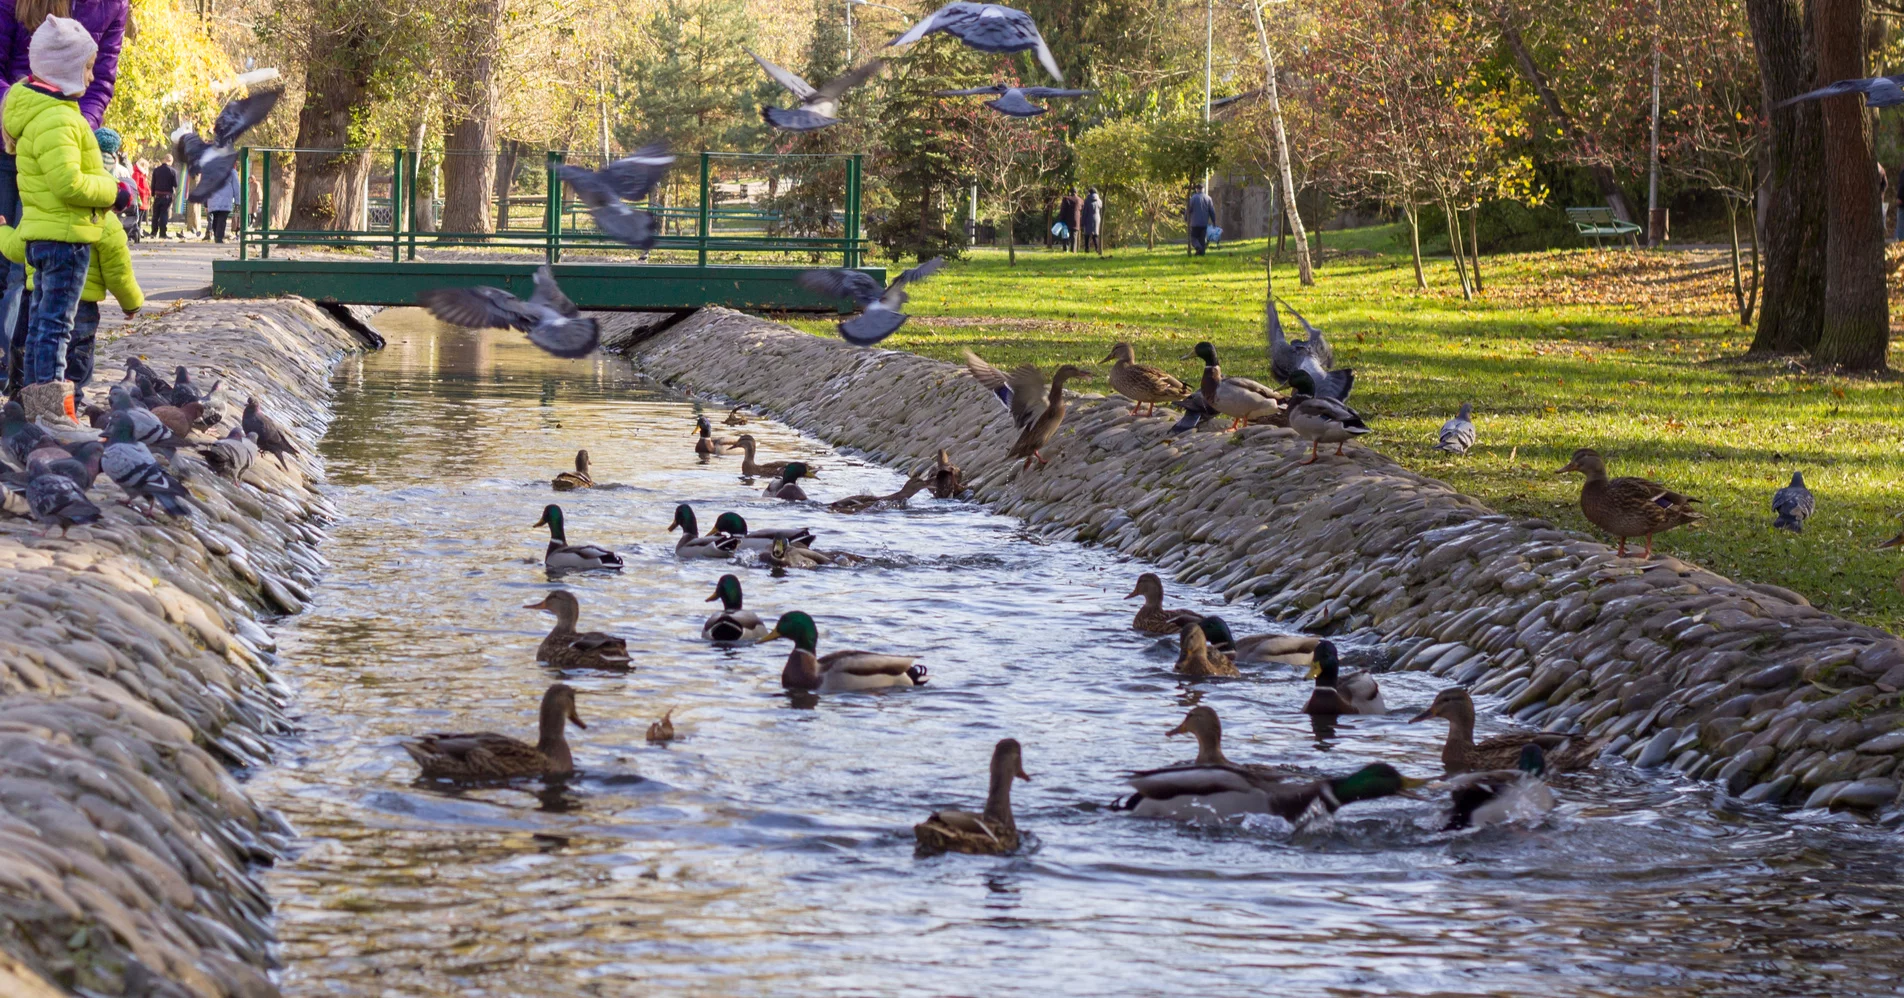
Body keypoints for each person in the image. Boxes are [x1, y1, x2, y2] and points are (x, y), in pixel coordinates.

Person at [0, 0, 130, 397]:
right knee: (45, 308)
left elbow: (101, 80)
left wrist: (78, 125)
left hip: (54, 123)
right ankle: (48, 397)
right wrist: (114, 192)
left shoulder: (112, 6)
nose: (91, 75)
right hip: (19, 131)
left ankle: (25, 387)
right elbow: (70, 184)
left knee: (30, 286)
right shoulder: (57, 122)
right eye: (84, 68)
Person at [0, 189, 142, 403]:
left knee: (30, 349)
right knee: (75, 356)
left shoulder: (40, 215)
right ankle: (69, 402)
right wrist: (131, 304)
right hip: (81, 304)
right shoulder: (106, 223)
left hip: (36, 298)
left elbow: (16, 250)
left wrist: (2, 230)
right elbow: (119, 273)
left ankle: (22, 400)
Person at [205, 166, 237, 243]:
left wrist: (205, 203)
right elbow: (236, 187)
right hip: (225, 200)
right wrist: (238, 201)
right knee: (222, 219)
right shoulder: (232, 172)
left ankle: (217, 235)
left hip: (213, 200)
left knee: (216, 218)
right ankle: (218, 237)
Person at [149, 152, 175, 238]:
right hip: (167, 196)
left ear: (164, 160)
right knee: (164, 214)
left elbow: (153, 183)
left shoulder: (156, 170)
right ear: (170, 161)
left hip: (157, 195)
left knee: (155, 215)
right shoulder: (172, 171)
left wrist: (152, 194)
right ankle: (162, 233)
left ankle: (153, 232)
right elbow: (175, 184)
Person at [1186, 183, 1215, 256]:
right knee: (1202, 240)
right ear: (1203, 189)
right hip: (1204, 223)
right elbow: (1212, 211)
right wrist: (1214, 221)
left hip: (1195, 223)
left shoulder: (1193, 198)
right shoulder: (1208, 198)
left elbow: (1188, 209)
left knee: (1193, 238)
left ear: (1196, 189)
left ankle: (1198, 247)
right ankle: (1201, 254)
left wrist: (1186, 218)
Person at [1080, 187, 1102, 255]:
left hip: (1089, 218)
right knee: (1095, 235)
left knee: (1087, 235)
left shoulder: (1087, 200)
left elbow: (1085, 212)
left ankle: (1087, 249)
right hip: (1097, 218)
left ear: (1089, 193)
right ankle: (1097, 249)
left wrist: (1082, 221)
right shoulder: (1099, 200)